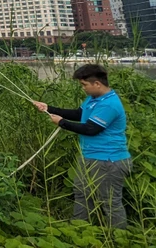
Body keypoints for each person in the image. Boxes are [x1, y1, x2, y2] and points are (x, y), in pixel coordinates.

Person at [33, 64, 132, 229]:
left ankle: (118, 238)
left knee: (110, 202)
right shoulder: (93, 99)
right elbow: (79, 114)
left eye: (84, 85)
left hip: (109, 161)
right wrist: (48, 108)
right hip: (90, 157)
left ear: (97, 84)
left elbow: (91, 129)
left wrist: (62, 123)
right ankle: (79, 229)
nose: (83, 88)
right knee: (82, 194)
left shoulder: (109, 104)